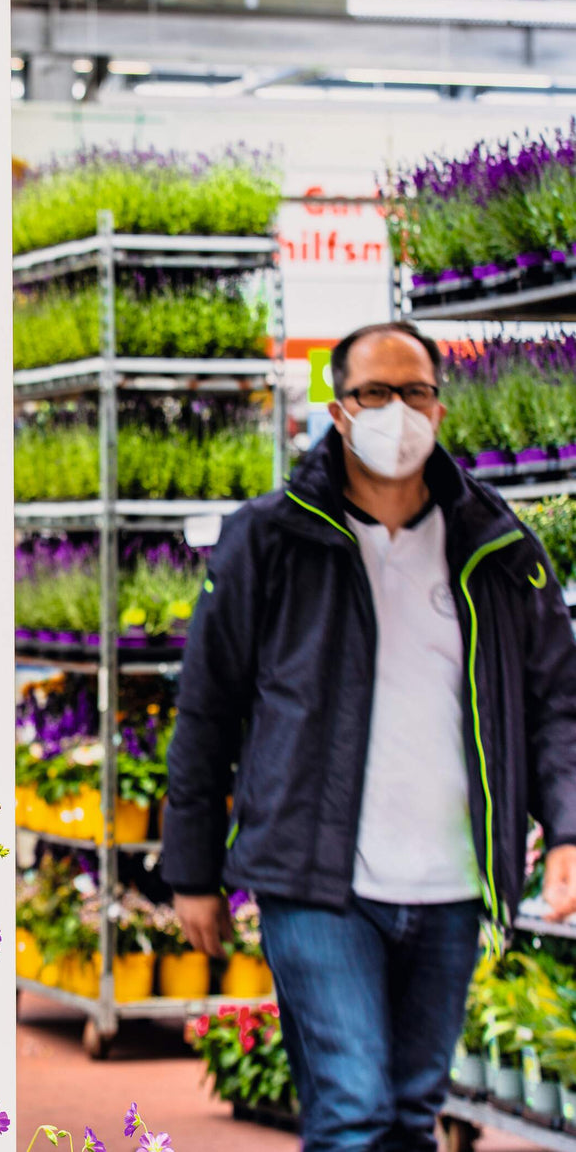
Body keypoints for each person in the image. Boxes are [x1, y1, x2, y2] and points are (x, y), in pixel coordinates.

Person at [162, 321, 576, 1151]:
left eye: (415, 391)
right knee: (353, 1109)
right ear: (340, 411)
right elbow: (207, 710)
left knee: (409, 1112)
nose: (398, 411)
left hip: (454, 882)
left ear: (441, 408)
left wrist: (568, 830)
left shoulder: (498, 548)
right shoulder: (270, 539)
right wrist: (192, 870)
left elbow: (556, 702)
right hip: (317, 881)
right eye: (374, 393)